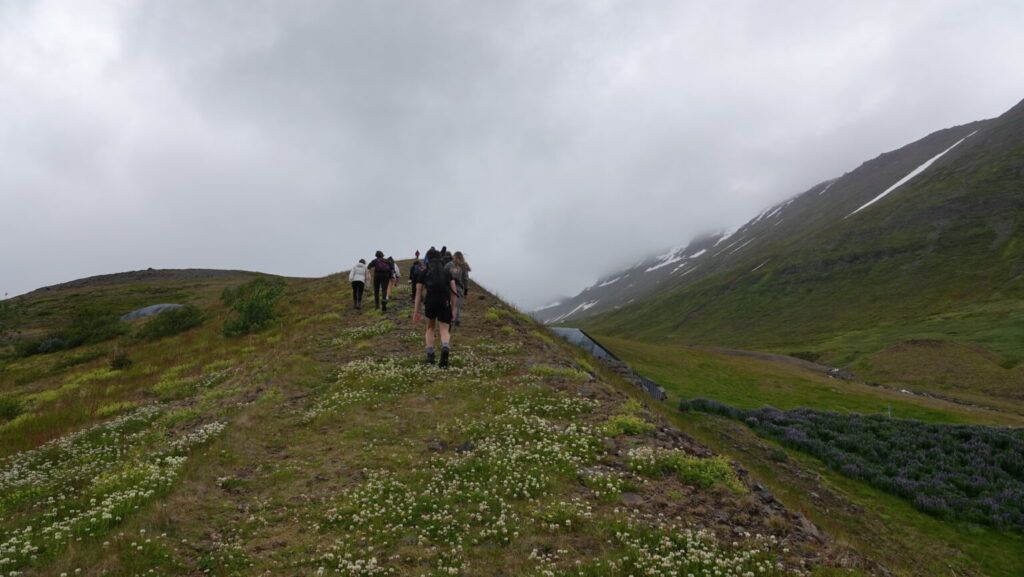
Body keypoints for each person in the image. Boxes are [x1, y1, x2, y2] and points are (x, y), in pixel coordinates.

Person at [413, 248, 457, 368]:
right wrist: (453, 309)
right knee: (444, 329)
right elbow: (454, 291)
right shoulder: (447, 272)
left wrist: (416, 311)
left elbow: (418, 293)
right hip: (445, 301)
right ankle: (445, 347)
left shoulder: (423, 272)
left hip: (430, 301)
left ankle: (430, 356)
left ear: (427, 258)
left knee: (430, 328)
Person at [445, 251, 471, 326]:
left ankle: (448, 318)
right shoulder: (464, 266)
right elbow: (466, 279)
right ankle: (456, 320)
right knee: (457, 304)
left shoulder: (448, 265)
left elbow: (444, 274)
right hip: (458, 288)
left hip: (448, 286)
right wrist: (466, 292)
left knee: (449, 303)